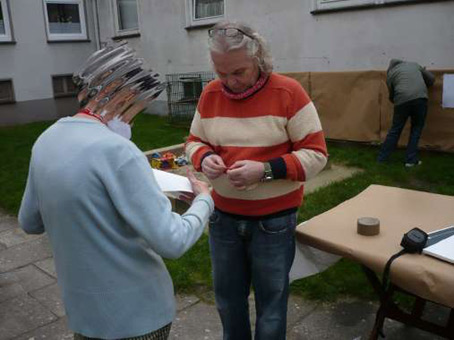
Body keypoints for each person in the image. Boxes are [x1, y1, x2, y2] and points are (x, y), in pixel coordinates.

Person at [18, 46, 214, 339]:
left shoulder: (47, 139)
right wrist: (204, 201)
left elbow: (29, 222)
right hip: (137, 316)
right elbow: (173, 241)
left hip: (85, 315)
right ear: (121, 97)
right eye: (136, 108)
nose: (133, 120)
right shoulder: (118, 151)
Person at [185, 21, 328, 340]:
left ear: (259, 59)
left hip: (273, 223)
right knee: (227, 302)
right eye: (221, 73)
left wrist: (264, 170)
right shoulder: (210, 94)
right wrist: (204, 158)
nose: (229, 82)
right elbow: (194, 140)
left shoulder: (289, 92)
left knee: (272, 306)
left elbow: (317, 155)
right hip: (222, 219)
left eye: (239, 72)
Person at [378, 59, 435, 167]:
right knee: (416, 129)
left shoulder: (390, 74)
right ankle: (410, 160)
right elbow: (432, 79)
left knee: (395, 130)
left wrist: (399, 102)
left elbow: (391, 96)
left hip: (401, 101)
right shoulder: (415, 65)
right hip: (420, 99)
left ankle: (382, 159)